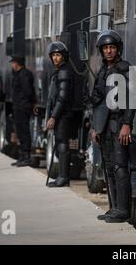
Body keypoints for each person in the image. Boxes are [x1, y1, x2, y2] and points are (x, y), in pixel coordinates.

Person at [88, 30, 136, 223]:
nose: (109, 51)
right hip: (104, 127)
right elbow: (96, 102)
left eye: (112, 47)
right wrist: (95, 127)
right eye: (106, 48)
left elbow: (132, 99)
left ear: (118, 49)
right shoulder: (102, 71)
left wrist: (127, 124)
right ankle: (114, 207)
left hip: (118, 124)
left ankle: (123, 211)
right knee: (108, 168)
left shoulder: (126, 69)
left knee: (120, 168)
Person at [45, 42, 78, 187]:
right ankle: (62, 176)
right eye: (53, 55)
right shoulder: (59, 71)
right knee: (60, 144)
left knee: (62, 144)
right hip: (61, 113)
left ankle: (64, 177)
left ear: (63, 56)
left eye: (58, 55)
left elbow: (62, 97)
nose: (55, 58)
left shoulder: (64, 71)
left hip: (63, 114)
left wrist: (53, 116)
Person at [10, 56, 36, 167]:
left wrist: (27, 103)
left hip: (23, 107)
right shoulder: (18, 74)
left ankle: (26, 156)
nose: (12, 65)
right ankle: (22, 155)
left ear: (17, 63)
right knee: (20, 132)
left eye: (13, 63)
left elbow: (28, 91)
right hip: (18, 106)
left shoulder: (24, 74)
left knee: (24, 131)